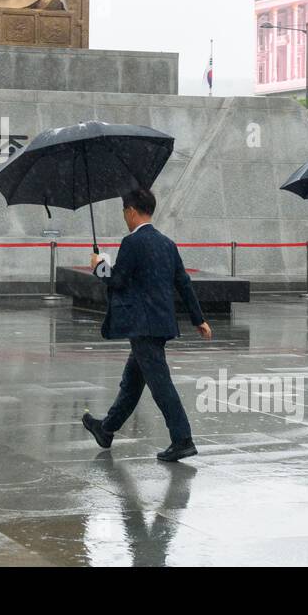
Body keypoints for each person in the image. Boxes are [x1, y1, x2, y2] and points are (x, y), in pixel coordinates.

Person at [81, 188, 212, 462]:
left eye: (124, 213)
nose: (124, 218)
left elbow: (117, 280)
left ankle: (182, 439)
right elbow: (183, 283)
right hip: (161, 323)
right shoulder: (167, 243)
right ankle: (106, 429)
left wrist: (98, 266)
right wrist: (198, 318)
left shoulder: (132, 243)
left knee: (160, 383)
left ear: (130, 211)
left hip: (142, 325)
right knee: (132, 383)